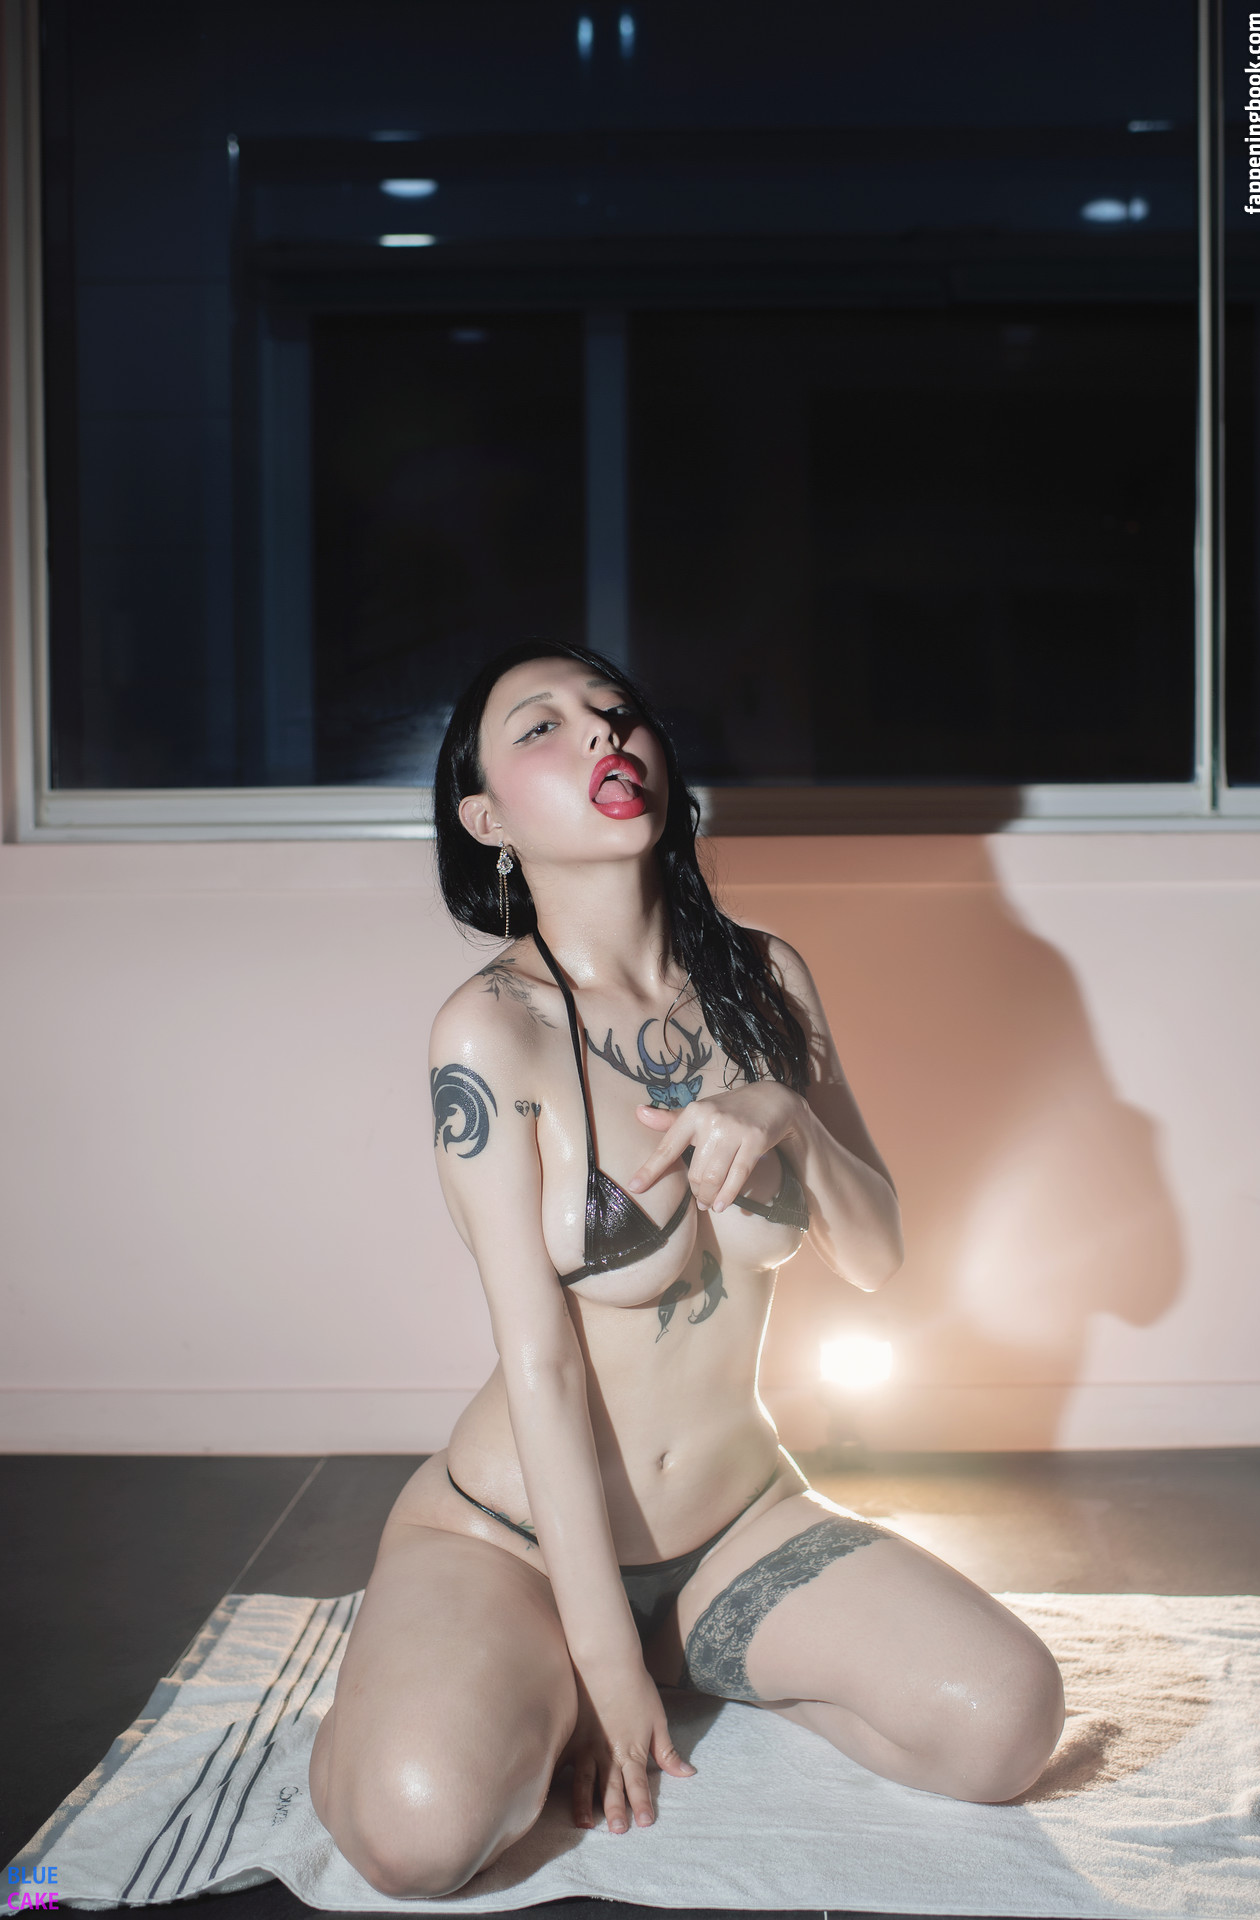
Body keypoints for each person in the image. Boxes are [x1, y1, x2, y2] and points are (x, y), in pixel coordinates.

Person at [308, 639, 1065, 1897]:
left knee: (1004, 1724)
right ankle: (445, 1672)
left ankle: (681, 1656)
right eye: (542, 726)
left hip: (735, 1522)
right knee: (418, 1838)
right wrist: (601, 1664)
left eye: (616, 712)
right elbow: (541, 1364)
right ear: (488, 821)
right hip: (516, 1538)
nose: (602, 733)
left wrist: (786, 1115)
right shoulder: (490, 1033)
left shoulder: (762, 979)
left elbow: (873, 1257)